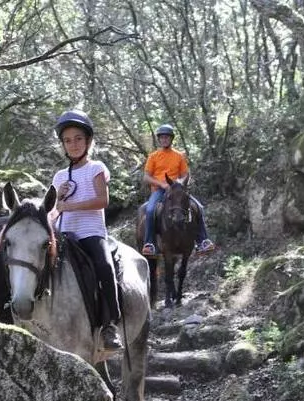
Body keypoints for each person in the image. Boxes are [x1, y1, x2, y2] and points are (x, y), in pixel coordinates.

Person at [51, 109, 123, 351]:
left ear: (88, 141)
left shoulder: (96, 168)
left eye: (78, 138)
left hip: (90, 232)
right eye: (68, 140)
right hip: (64, 234)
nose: (73, 144)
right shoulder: (59, 176)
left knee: (104, 266)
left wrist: (68, 205)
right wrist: (56, 203)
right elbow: (52, 212)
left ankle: (110, 325)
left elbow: (102, 200)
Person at [141, 123, 215, 257]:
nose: (164, 140)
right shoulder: (153, 156)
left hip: (177, 190)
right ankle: (150, 244)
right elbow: (146, 177)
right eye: (162, 138)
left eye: (167, 137)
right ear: (159, 139)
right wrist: (162, 184)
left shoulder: (179, 155)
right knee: (150, 209)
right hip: (159, 190)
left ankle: (202, 241)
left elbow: (185, 174)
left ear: (171, 139)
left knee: (198, 207)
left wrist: (180, 183)